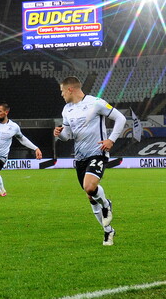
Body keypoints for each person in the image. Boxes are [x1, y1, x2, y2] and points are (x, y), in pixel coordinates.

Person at [54, 77, 127, 246]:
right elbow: (68, 136)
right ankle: (108, 231)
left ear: (70, 89)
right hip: (80, 157)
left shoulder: (96, 103)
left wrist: (111, 140)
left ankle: (106, 204)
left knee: (90, 186)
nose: (62, 94)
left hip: (97, 152)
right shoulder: (67, 110)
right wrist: (60, 133)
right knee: (90, 196)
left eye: (62, 91)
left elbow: (120, 118)